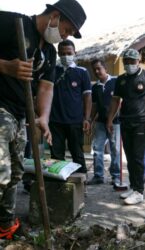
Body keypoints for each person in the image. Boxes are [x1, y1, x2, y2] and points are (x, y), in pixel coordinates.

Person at [0, 0, 86, 239]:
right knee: (1, 171)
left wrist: (44, 117)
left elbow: (46, 87)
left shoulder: (48, 51)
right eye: (66, 30)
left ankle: (5, 226)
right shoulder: (10, 23)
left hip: (19, 115)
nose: (64, 36)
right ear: (55, 16)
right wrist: (5, 66)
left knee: (16, 174)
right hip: (0, 108)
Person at [107, 48, 145, 205]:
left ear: (139, 61)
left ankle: (139, 191)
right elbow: (115, 101)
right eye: (127, 61)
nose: (130, 64)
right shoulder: (121, 79)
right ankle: (133, 186)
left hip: (142, 122)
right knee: (130, 157)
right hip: (125, 121)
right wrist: (110, 119)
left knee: (139, 157)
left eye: (133, 61)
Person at [49, 39, 92, 173]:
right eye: (62, 53)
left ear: (75, 53)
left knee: (77, 154)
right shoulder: (52, 70)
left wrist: (86, 118)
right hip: (55, 121)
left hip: (75, 121)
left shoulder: (82, 72)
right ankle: (59, 186)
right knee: (56, 155)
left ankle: (81, 185)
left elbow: (87, 97)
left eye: (68, 53)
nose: (65, 56)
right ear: (58, 54)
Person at [87, 59, 121, 185]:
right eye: (94, 69)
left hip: (115, 122)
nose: (96, 71)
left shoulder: (116, 82)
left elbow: (119, 103)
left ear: (105, 68)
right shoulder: (95, 87)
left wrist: (111, 120)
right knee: (97, 148)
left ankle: (116, 176)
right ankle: (98, 176)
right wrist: (90, 120)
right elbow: (95, 106)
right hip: (100, 122)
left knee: (115, 149)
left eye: (99, 68)